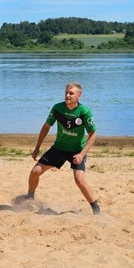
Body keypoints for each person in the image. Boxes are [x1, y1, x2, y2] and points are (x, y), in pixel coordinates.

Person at [19, 81, 101, 215]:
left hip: (77, 151)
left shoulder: (85, 112)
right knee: (35, 172)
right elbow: (46, 127)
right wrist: (37, 147)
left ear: (79, 95)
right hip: (59, 148)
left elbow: (93, 135)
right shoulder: (57, 108)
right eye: (66, 93)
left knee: (79, 180)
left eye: (71, 93)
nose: (68, 96)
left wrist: (81, 154)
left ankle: (96, 209)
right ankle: (30, 197)